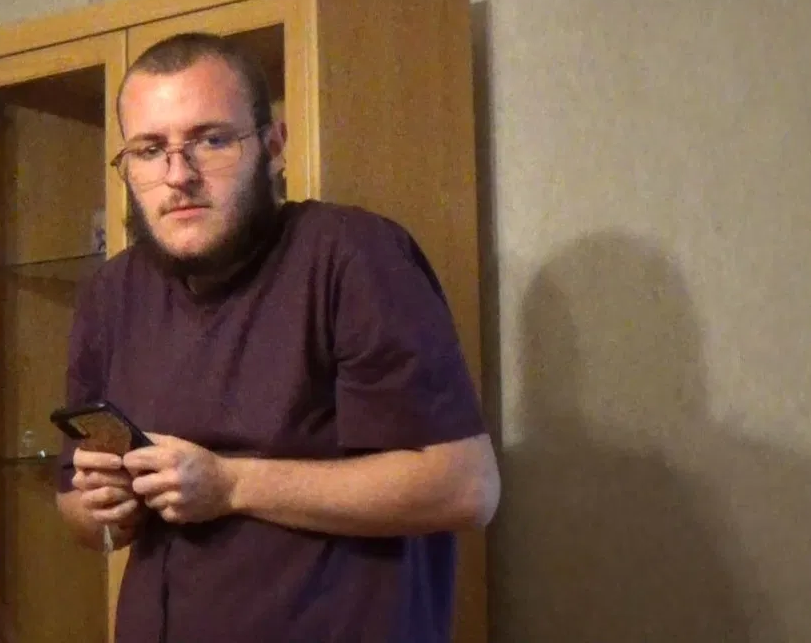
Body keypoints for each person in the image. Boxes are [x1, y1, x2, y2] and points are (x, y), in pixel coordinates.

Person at [54, 31, 500, 642]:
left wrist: (232, 484)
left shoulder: (352, 255)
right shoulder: (111, 294)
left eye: (211, 140)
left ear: (273, 147)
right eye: (150, 150)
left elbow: (465, 487)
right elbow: (79, 516)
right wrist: (104, 506)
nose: (178, 175)